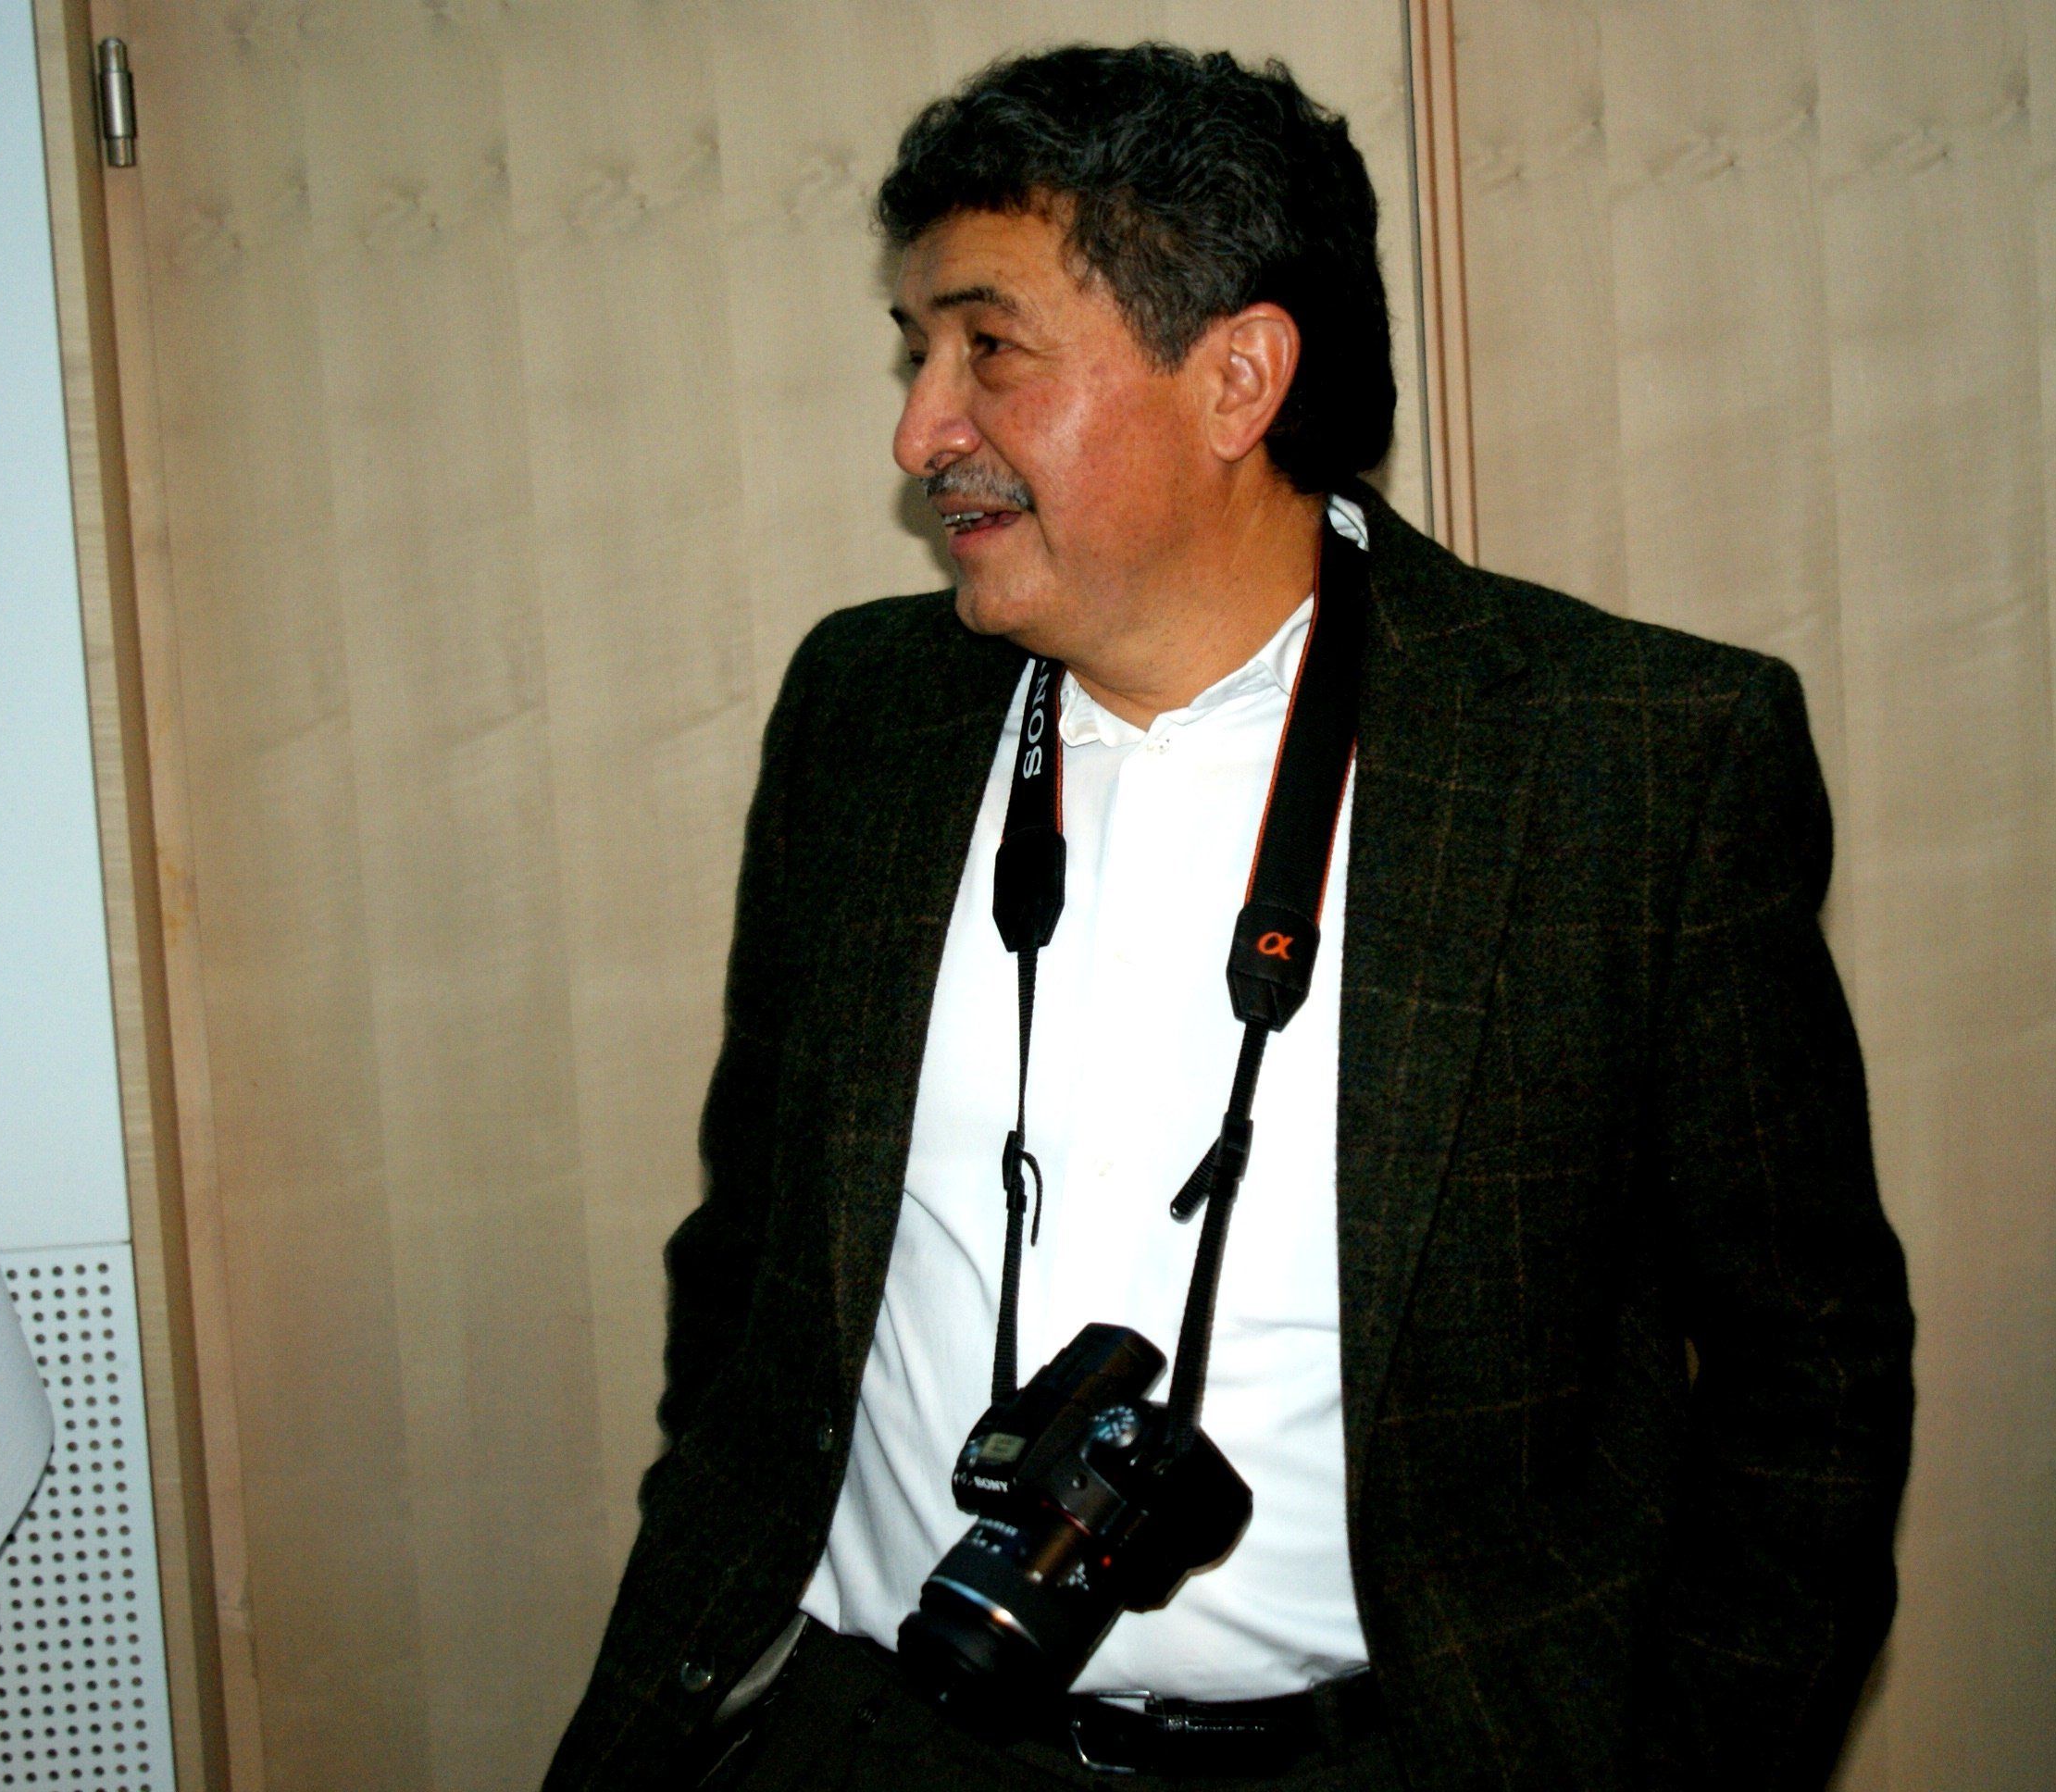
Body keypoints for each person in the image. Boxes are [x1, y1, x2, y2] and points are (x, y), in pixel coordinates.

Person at [546, 44, 1913, 1792]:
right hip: (871, 1739)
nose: (920, 432)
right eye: (916, 354)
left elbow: (1810, 1374)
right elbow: (750, 1258)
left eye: (989, 349)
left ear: (1238, 379)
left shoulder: (1623, 761)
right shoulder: (861, 715)